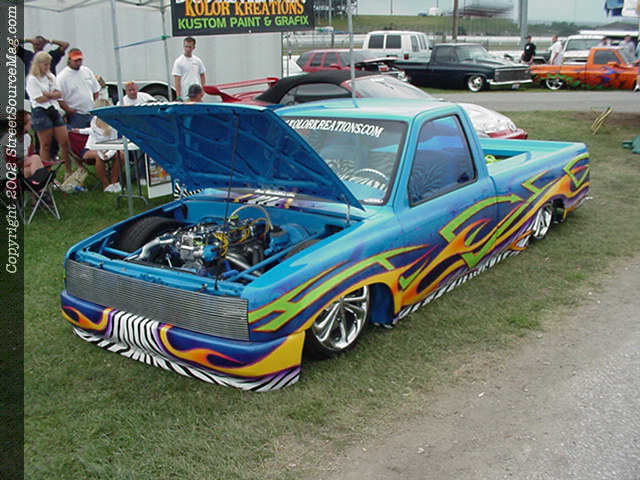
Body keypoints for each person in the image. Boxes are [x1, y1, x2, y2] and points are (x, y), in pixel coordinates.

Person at [26, 51, 72, 178]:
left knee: (64, 142)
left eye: (49, 64)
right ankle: (45, 174)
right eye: (45, 64)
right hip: (40, 111)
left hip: (53, 109)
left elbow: (59, 93)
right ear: (38, 64)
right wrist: (52, 95)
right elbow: (38, 98)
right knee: (45, 145)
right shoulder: (32, 79)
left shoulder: (50, 76)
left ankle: (68, 171)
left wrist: (48, 94)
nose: (47, 67)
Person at [72, 99, 123, 193]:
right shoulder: (94, 120)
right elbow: (92, 131)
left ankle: (114, 182)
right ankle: (105, 185)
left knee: (121, 154)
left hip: (109, 148)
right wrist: (79, 131)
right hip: (91, 148)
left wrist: (108, 154)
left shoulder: (113, 123)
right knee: (99, 156)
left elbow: (115, 143)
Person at [56, 48, 101, 129]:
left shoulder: (87, 71)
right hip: (76, 115)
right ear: (69, 60)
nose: (78, 63)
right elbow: (59, 98)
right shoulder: (62, 77)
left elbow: (96, 89)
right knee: (78, 135)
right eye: (76, 61)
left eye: (80, 60)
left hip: (91, 112)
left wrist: (93, 103)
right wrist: (68, 110)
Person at [172, 37, 206, 101]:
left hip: (197, 94)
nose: (188, 49)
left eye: (190, 47)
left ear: (194, 47)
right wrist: (178, 96)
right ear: (183, 47)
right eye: (186, 47)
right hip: (185, 95)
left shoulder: (197, 61)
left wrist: (203, 89)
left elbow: (202, 74)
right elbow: (177, 80)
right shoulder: (179, 61)